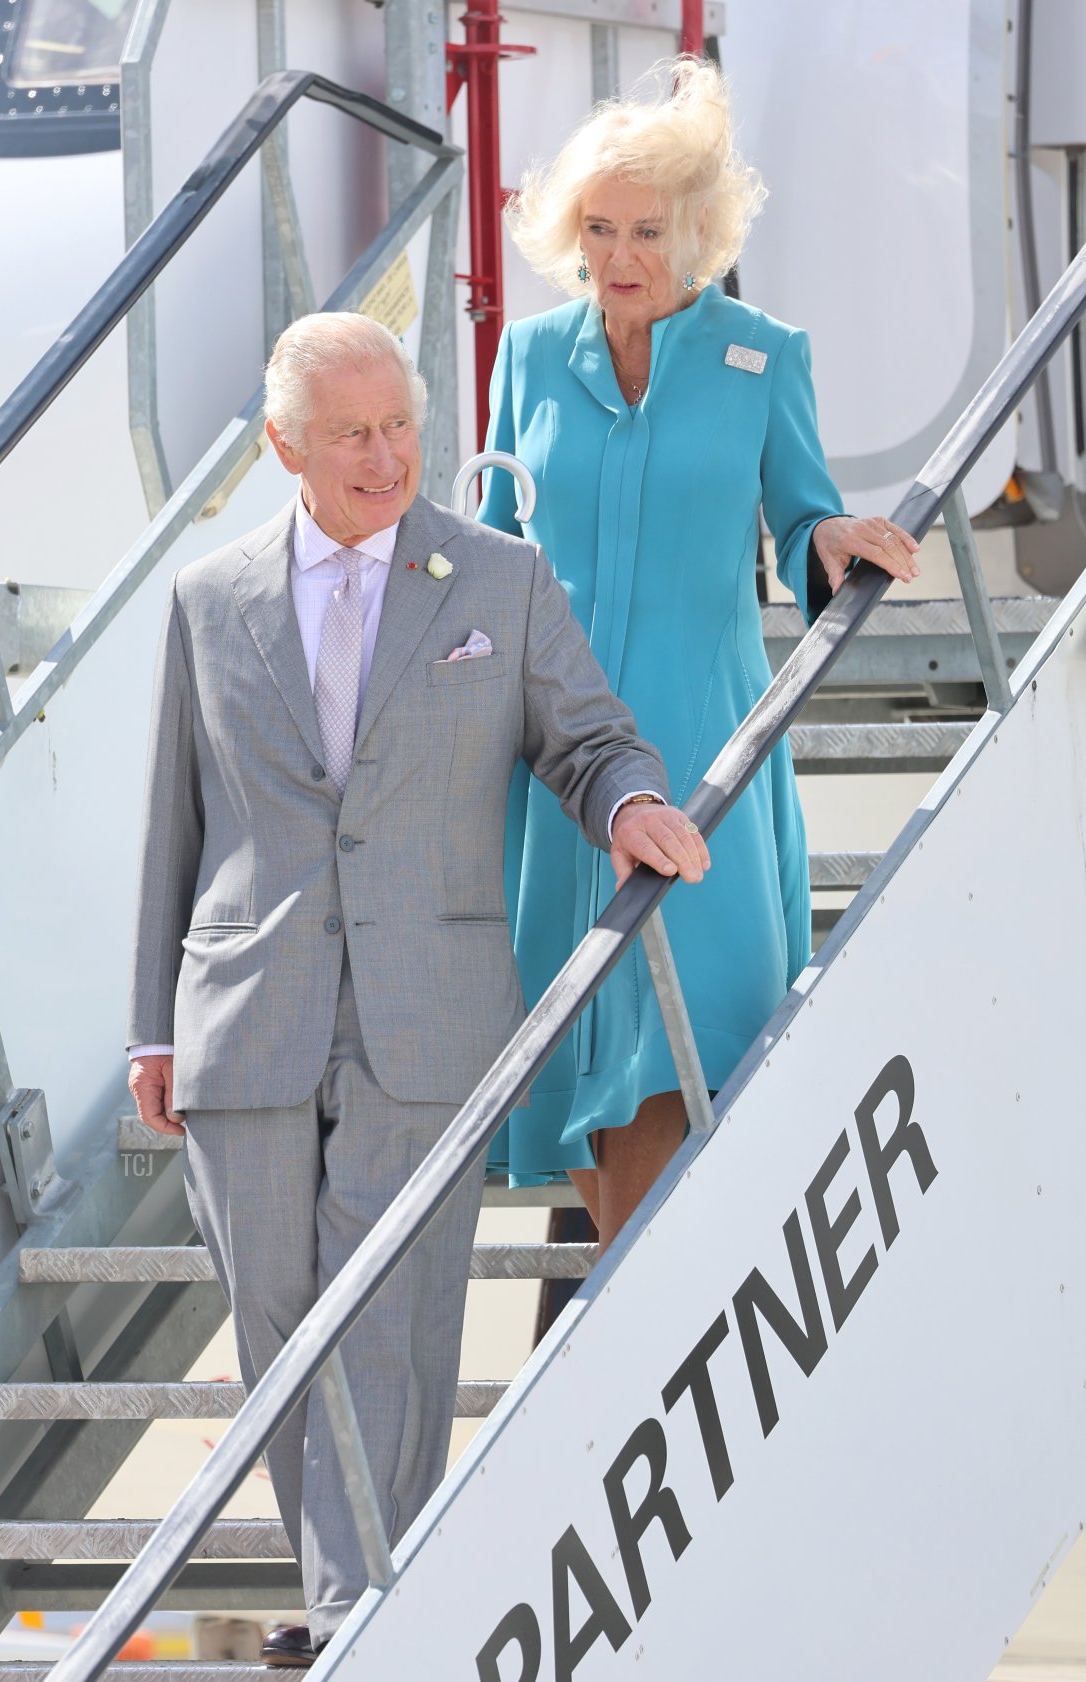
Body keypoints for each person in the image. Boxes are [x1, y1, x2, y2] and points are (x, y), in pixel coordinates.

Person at [125, 311, 710, 1666]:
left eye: (401, 426)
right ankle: (353, 1578)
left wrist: (626, 802)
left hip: (428, 1007)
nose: (388, 456)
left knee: (388, 1306)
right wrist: (152, 1022)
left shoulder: (495, 579)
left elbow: (590, 736)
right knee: (278, 1310)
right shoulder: (210, 598)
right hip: (243, 1013)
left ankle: (353, 1616)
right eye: (353, 434)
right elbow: (177, 817)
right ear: (285, 445)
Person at [480, 58, 921, 1253]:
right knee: (584, 1090)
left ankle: (604, 1352)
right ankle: (615, 1330)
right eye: (601, 228)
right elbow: (493, 556)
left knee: (686, 1062)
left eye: (651, 231)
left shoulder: (762, 355)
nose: (622, 255)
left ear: (701, 234)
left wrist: (832, 535)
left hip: (704, 759)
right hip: (560, 777)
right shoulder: (528, 359)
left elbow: (801, 519)